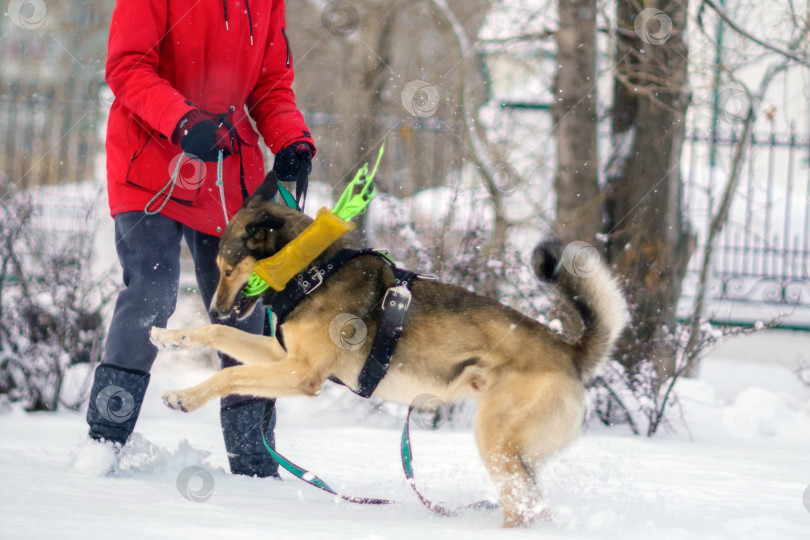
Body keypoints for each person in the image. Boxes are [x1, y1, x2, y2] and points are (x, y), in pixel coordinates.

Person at [81, 0, 314, 478]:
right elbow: (128, 66)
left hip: (227, 174)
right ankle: (105, 438)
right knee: (152, 290)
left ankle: (254, 460)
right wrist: (183, 119)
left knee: (242, 310)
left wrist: (290, 138)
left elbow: (271, 84)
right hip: (151, 162)